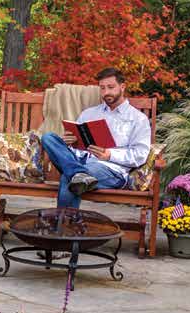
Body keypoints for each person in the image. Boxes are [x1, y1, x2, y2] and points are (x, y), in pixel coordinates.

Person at [40, 67, 151, 209]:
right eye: (102, 88)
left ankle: (65, 226)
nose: (106, 93)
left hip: (110, 170)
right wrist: (71, 142)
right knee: (49, 137)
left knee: (69, 179)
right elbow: (78, 143)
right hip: (79, 160)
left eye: (111, 87)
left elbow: (140, 154)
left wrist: (109, 154)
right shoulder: (89, 113)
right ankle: (78, 174)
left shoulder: (138, 119)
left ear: (122, 87)